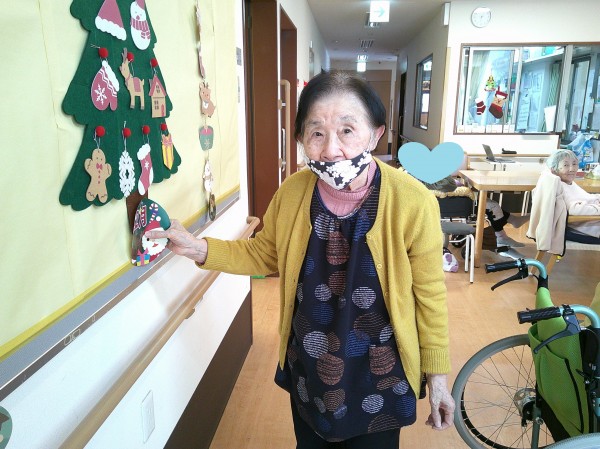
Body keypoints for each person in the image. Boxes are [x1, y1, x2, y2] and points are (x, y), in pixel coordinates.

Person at [146, 70, 454, 448]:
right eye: (316, 133)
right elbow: (264, 254)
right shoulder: (293, 191)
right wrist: (198, 248)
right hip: (310, 365)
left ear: (376, 134)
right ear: (301, 139)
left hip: (380, 371)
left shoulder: (413, 201)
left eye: (347, 130)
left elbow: (429, 294)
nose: (331, 149)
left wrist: (438, 377)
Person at [424, 175, 529, 248]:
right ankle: (502, 237)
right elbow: (448, 185)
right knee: (493, 206)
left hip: (445, 201)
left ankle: (513, 220)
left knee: (489, 203)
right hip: (453, 203)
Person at [547, 149, 600, 237]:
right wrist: (597, 208)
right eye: (566, 165)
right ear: (554, 170)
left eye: (574, 164)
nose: (572, 169)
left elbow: (585, 197)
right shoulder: (560, 186)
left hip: (591, 223)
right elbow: (574, 209)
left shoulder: (569, 182)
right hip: (585, 229)